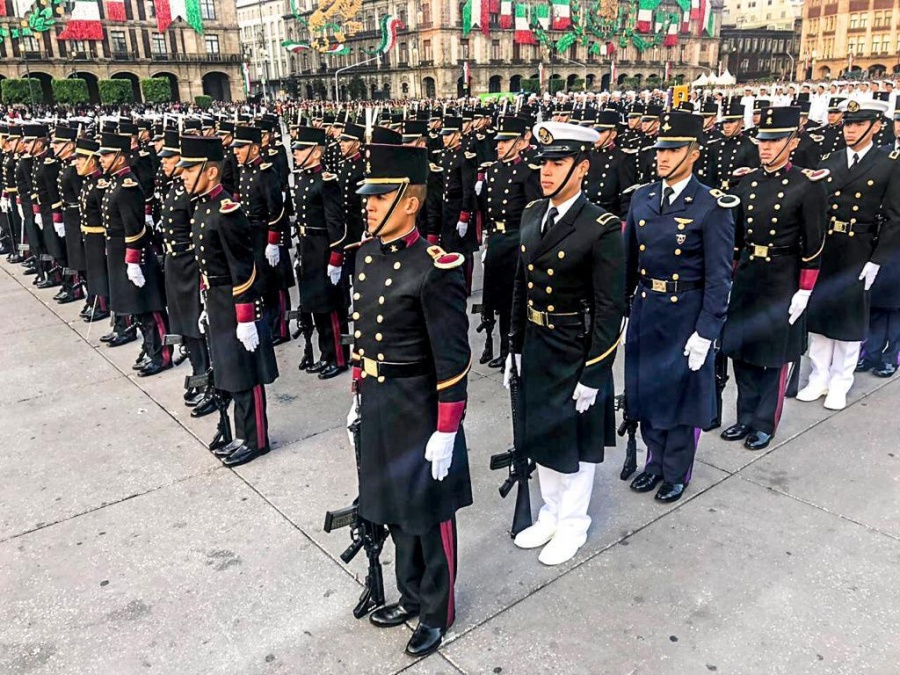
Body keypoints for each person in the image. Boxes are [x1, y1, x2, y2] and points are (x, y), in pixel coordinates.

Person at [350, 142, 472, 657]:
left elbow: (453, 358)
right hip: (379, 398)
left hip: (419, 404)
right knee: (394, 506)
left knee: (429, 510)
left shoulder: (434, 266)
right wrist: (357, 392)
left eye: (379, 198)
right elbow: (361, 334)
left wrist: (447, 428)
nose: (369, 206)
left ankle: (437, 610)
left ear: (410, 202)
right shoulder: (366, 253)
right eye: (368, 198)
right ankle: (409, 593)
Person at [506, 121, 626, 565]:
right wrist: (514, 344)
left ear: (582, 168)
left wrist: (596, 372)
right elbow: (522, 284)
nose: (547, 172)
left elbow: (611, 307)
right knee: (543, 432)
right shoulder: (532, 213)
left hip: (576, 346)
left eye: (558, 163)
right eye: (544, 163)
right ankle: (551, 512)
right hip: (538, 341)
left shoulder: (600, 227)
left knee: (574, 439)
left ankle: (574, 523)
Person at [623, 111, 736, 503]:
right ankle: (654, 461)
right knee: (649, 390)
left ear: (694, 153)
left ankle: (676, 469)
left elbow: (720, 276)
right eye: (660, 149)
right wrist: (622, 313)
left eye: (673, 149)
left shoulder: (710, 205)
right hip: (646, 308)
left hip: (685, 311)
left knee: (681, 396)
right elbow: (627, 262)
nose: (663, 156)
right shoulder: (643, 197)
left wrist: (708, 330)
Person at [720, 106, 827, 450]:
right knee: (744, 349)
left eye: (775, 140)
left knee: (774, 354)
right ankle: (745, 417)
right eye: (763, 140)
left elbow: (814, 242)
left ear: (792, 142)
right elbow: (737, 239)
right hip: (750, 273)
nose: (766, 147)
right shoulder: (747, 182)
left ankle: (764, 421)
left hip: (783, 276)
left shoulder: (805, 185)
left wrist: (805, 290)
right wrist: (729, 278)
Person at [178, 134, 279, 467]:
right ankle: (239, 434)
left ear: (210, 172)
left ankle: (256, 439)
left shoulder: (227, 212)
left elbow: (244, 269)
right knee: (228, 371)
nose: (182, 174)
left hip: (236, 303)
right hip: (217, 300)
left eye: (189, 169)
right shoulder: (203, 207)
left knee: (245, 372)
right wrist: (207, 305)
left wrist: (247, 318)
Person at [800, 99, 900, 409]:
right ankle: (818, 377)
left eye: (858, 124)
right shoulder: (830, 160)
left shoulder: (888, 164)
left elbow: (895, 217)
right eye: (847, 123)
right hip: (827, 245)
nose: (850, 129)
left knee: (849, 319)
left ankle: (841, 381)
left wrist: (877, 260)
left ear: (876, 126)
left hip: (859, 247)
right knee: (819, 314)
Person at [97, 130, 172, 376]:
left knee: (149, 308)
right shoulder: (117, 182)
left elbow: (135, 227)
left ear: (120, 157)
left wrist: (133, 261)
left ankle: (161, 355)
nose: (101, 160)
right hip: (122, 254)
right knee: (137, 307)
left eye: (106, 155)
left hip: (135, 257)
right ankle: (150, 350)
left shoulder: (127, 185)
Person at [476, 115, 542, 369]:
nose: (499, 146)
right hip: (498, 241)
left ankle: (516, 350)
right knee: (500, 300)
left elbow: (534, 213)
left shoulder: (528, 172)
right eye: (498, 141)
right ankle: (504, 350)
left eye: (505, 141)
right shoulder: (493, 171)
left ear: (519, 142)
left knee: (516, 299)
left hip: (518, 240)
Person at [290, 126, 349, 379]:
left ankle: (338, 356)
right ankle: (325, 354)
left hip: (323, 247)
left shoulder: (327, 182)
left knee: (331, 307)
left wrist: (336, 257)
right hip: (308, 247)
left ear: (315, 152)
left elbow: (336, 222)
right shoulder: (303, 177)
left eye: (300, 149)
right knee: (315, 304)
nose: (295, 153)